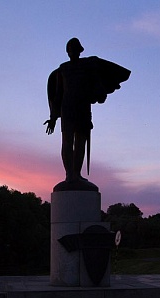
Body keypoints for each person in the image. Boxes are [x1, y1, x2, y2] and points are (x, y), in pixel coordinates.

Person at [44, 38, 130, 191]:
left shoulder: (88, 65)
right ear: (67, 52)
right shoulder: (63, 69)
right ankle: (69, 174)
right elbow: (58, 94)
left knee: (81, 141)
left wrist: (99, 92)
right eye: (70, 50)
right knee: (67, 141)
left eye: (75, 49)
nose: (73, 52)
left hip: (83, 108)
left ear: (79, 51)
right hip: (68, 108)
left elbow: (96, 85)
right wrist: (53, 118)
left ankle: (76, 173)